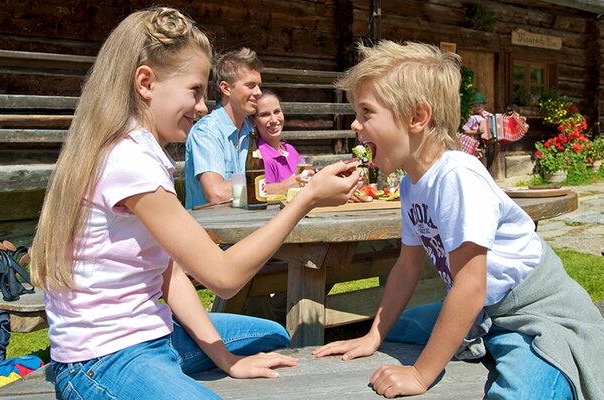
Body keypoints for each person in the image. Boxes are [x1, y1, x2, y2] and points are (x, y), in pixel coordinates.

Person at [29, 8, 361, 399]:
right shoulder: (129, 159)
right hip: (104, 358)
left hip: (153, 333)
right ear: (146, 83)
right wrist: (305, 198)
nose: (203, 106)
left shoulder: (139, 148)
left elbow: (166, 269)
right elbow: (222, 275)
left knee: (269, 335)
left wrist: (226, 358)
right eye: (195, 90)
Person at [312, 40, 604, 399]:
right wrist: (374, 335)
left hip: (532, 311)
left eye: (366, 112)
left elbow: (470, 286)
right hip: (484, 308)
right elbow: (407, 267)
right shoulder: (411, 184)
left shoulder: (456, 176)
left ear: (417, 118)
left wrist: (420, 374)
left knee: (521, 391)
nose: (355, 125)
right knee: (393, 331)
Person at [184, 48, 263, 209]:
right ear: (226, 88)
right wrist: (280, 187)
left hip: (238, 224)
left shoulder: (250, 130)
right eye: (250, 85)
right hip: (206, 229)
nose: (259, 92)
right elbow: (216, 193)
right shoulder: (207, 130)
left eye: (259, 86)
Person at [251, 89, 312, 195]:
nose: (274, 120)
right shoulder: (262, 157)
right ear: (254, 121)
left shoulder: (290, 149)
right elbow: (264, 196)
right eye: (265, 115)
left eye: (277, 112)